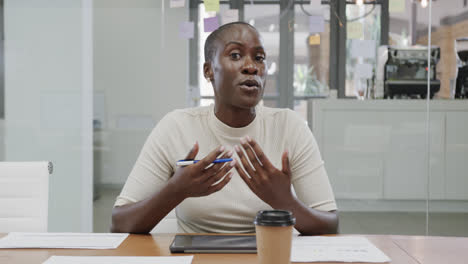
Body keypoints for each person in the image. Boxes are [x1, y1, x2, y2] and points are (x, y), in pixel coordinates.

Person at [111, 21, 338, 235]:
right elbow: (120, 223)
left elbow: (330, 224)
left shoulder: (290, 127)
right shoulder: (176, 127)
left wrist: (285, 201)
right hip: (195, 257)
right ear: (208, 70)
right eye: (236, 55)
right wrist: (176, 190)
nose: (251, 67)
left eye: (259, 58)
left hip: (267, 253)